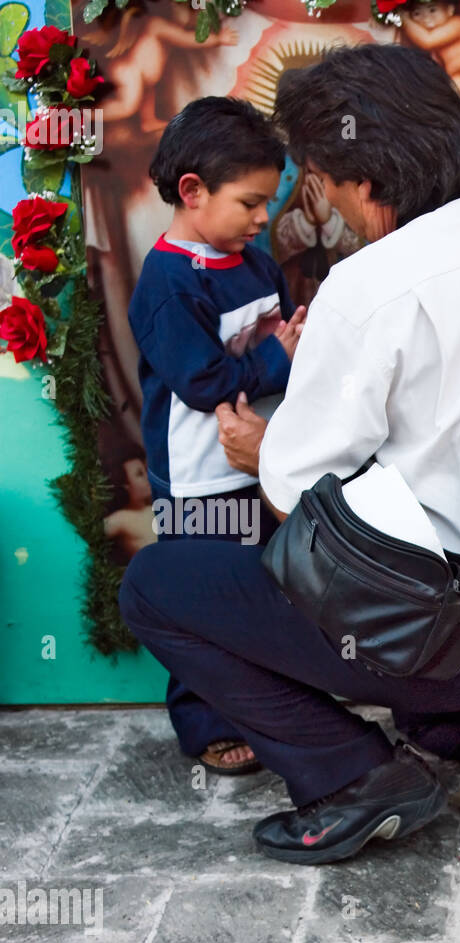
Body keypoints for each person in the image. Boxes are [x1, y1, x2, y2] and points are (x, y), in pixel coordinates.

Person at [118, 43, 460, 864]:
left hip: (437, 636)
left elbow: (295, 493)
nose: (331, 209)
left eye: (322, 182)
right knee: (424, 671)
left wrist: (257, 450)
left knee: (156, 586)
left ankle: (352, 774)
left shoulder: (371, 284)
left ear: (361, 178)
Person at [127, 96, 306, 775]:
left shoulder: (253, 262)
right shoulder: (168, 284)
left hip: (260, 463)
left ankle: (268, 709)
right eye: (251, 202)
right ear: (193, 192)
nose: (264, 217)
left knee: (259, 592)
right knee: (200, 603)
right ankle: (204, 723)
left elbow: (285, 327)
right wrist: (279, 357)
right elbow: (202, 383)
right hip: (201, 478)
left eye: (269, 201)